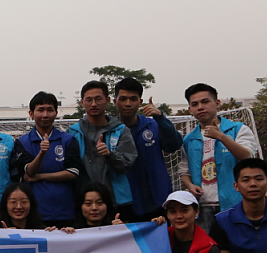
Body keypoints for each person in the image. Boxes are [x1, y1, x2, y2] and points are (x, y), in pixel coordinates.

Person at [179, 83, 260, 233]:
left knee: (237, 244)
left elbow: (248, 157)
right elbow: (184, 171)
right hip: (203, 207)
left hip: (236, 204)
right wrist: (190, 186)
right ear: (190, 109)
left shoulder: (238, 129)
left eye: (205, 102)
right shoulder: (189, 139)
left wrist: (221, 137)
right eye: (195, 104)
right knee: (208, 246)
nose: (200, 107)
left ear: (217, 103)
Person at [114, 78, 183, 222]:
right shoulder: (110, 131)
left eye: (133, 99)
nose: (128, 103)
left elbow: (174, 145)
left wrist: (160, 118)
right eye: (123, 99)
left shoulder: (153, 125)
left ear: (140, 102)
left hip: (158, 199)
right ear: (115, 101)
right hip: (126, 202)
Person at [10, 91, 80, 227]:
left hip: (65, 210)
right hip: (35, 212)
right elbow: (29, 172)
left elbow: (73, 172)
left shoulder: (68, 140)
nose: (45, 115)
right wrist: (42, 153)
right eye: (40, 110)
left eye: (50, 110)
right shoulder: (22, 142)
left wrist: (41, 176)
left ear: (56, 113)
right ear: (31, 114)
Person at [70, 80, 137, 219]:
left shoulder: (121, 130)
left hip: (117, 200)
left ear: (107, 100)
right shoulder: (73, 132)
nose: (93, 104)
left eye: (98, 99)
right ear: (82, 102)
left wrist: (109, 155)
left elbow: (127, 163)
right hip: (84, 202)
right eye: (89, 100)